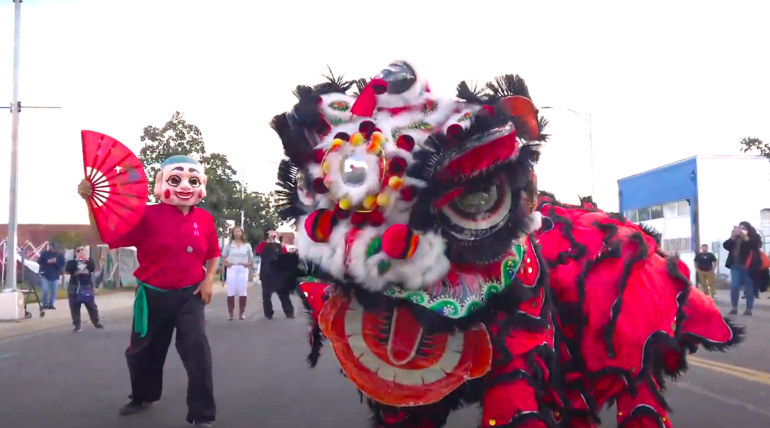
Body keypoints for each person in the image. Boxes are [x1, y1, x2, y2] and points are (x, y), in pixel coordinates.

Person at [77, 155, 220, 427]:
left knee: (197, 351)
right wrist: (89, 201)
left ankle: (203, 414)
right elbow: (105, 236)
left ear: (202, 184)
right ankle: (142, 396)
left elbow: (213, 253)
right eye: (176, 179)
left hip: (190, 295)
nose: (184, 186)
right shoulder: (146, 215)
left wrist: (209, 279)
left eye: (192, 180)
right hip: (152, 295)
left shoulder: (204, 219)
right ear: (161, 182)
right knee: (144, 351)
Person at [723, 221, 763, 316]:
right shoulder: (736, 238)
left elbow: (756, 246)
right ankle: (734, 307)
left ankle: (748, 309)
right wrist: (733, 236)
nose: (740, 230)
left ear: (748, 229)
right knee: (734, 286)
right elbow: (726, 246)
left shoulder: (755, 237)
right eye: (739, 228)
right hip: (735, 265)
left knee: (749, 288)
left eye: (743, 228)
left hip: (749, 266)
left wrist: (744, 236)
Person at [255, 230, 294, 320]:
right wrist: (266, 241)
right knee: (266, 295)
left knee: (283, 294)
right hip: (266, 273)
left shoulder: (280, 245)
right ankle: (268, 313)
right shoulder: (263, 245)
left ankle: (289, 312)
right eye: (270, 234)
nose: (272, 235)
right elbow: (258, 252)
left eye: (274, 233)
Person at [65, 246, 103, 332]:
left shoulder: (89, 261)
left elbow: (92, 268)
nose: (81, 251)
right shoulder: (71, 262)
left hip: (86, 286)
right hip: (74, 286)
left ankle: (96, 322)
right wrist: (77, 259)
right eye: (78, 250)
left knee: (91, 306)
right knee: (74, 306)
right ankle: (77, 325)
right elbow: (68, 269)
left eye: (83, 250)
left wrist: (85, 259)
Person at [222, 226, 253, 320]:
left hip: (242, 268)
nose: (237, 233)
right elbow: (223, 257)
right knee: (231, 290)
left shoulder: (247, 245)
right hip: (232, 268)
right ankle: (230, 313)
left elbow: (250, 259)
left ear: (242, 233)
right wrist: (226, 264)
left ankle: (241, 313)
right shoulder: (229, 245)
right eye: (235, 231)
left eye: (239, 231)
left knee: (242, 290)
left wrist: (247, 264)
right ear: (233, 233)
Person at [37, 244, 65, 310]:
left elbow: (62, 264)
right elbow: (39, 262)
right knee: (45, 290)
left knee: (54, 290)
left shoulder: (59, 255)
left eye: (55, 248)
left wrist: (55, 262)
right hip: (45, 274)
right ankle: (44, 304)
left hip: (55, 275)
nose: (54, 249)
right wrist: (47, 262)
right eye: (53, 247)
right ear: (50, 247)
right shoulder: (45, 254)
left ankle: (51, 304)